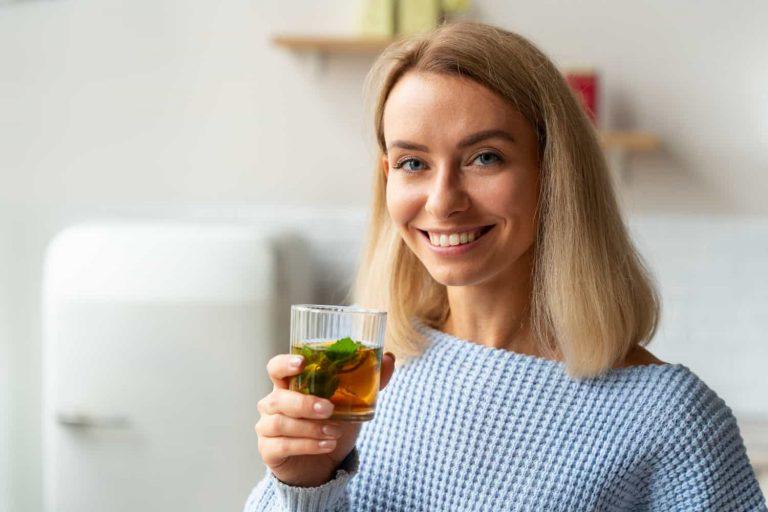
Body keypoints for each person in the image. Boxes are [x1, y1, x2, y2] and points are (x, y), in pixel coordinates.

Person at [243, 21, 767, 511]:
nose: (442, 201)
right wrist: (303, 485)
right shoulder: (362, 375)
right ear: (387, 177)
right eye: (413, 163)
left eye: (484, 157)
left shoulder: (671, 420)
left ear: (554, 170)